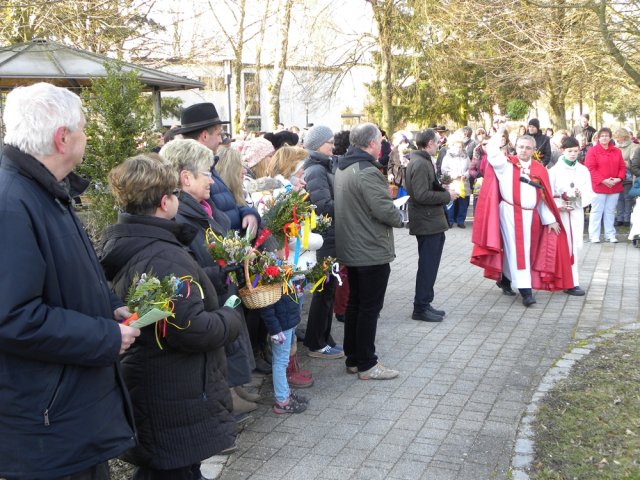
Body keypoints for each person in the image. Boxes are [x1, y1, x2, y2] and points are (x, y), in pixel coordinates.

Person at [0, 82, 139, 479]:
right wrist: (105, 336)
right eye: (82, 127)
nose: (86, 136)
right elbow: (13, 317)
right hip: (47, 423)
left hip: (66, 415)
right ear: (63, 138)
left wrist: (108, 307)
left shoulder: (44, 193)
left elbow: (60, 282)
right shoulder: (13, 202)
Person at [101, 155, 243, 479]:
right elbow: (189, 328)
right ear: (165, 202)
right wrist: (231, 314)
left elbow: (163, 305)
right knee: (173, 471)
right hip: (172, 395)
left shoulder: (141, 243)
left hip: (159, 386)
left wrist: (211, 278)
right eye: (176, 194)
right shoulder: (162, 255)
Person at [160, 139, 258, 416]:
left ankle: (234, 387)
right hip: (210, 289)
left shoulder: (200, 206)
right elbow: (191, 264)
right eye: (207, 173)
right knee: (221, 344)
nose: (213, 181)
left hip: (220, 285)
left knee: (232, 339)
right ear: (186, 177)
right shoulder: (180, 214)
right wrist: (227, 267)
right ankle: (226, 395)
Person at [471, 119, 573, 307]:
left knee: (522, 249)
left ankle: (505, 279)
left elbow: (543, 197)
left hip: (531, 215)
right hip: (509, 212)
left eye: (527, 147)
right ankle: (526, 291)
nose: (523, 150)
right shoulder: (506, 164)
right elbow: (491, 148)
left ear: (533, 150)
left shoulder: (540, 169)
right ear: (515, 147)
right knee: (519, 249)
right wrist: (500, 128)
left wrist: (549, 219)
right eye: (520, 147)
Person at [334, 123, 404, 380]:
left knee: (356, 304)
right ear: (372, 143)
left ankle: (353, 358)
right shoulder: (367, 171)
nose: (382, 146)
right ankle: (367, 364)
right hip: (369, 249)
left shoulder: (344, 165)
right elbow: (384, 210)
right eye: (380, 142)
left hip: (353, 247)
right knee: (369, 308)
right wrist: (399, 215)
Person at [177, 102, 260, 238]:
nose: (221, 140)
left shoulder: (209, 165)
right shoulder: (193, 169)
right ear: (204, 136)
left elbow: (228, 202)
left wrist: (247, 212)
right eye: (218, 134)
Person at [405, 129, 458, 322]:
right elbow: (420, 195)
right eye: (437, 142)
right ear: (429, 143)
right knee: (427, 266)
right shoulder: (419, 163)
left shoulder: (422, 160)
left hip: (430, 221)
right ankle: (420, 307)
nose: (438, 145)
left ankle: (425, 303)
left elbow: (425, 189)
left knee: (430, 265)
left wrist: (440, 188)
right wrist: (447, 196)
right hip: (427, 222)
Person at [301, 125, 344, 359]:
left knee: (328, 290)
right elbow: (323, 206)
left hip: (330, 236)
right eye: (329, 141)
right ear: (318, 144)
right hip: (325, 238)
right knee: (323, 290)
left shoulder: (323, 166)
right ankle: (317, 343)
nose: (333, 146)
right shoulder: (316, 170)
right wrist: (349, 203)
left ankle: (324, 337)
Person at [548, 136, 594, 296]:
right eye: (570, 151)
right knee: (564, 247)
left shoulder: (583, 170)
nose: (573, 154)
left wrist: (580, 196)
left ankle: (571, 280)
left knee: (576, 246)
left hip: (576, 212)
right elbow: (547, 194)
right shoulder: (554, 171)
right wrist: (560, 202)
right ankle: (569, 282)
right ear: (562, 151)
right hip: (560, 214)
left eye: (576, 151)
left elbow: (590, 192)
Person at [585, 127, 626, 243]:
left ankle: (610, 234)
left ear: (610, 137)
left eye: (606, 135)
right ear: (598, 138)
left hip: (614, 186)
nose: (604, 138)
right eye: (602, 136)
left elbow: (622, 167)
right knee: (597, 211)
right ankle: (594, 235)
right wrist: (603, 180)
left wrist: (618, 179)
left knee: (610, 211)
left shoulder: (617, 151)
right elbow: (590, 168)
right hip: (599, 186)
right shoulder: (592, 151)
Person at [440, 135, 471, 228]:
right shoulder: (448, 156)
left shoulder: (466, 156)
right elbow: (444, 170)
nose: (459, 148)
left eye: (461, 147)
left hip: (463, 183)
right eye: (457, 146)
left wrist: (466, 175)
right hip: (452, 182)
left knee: (463, 203)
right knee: (451, 203)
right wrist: (454, 175)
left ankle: (460, 221)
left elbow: (470, 168)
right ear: (453, 146)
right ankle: (450, 221)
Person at [613, 128, 638, 227]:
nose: (617, 140)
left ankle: (627, 218)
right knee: (619, 199)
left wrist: (623, 163)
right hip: (616, 176)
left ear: (623, 137)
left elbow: (633, 163)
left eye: (618, 137)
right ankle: (619, 218)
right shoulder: (615, 147)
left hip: (628, 176)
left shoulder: (633, 146)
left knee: (628, 198)